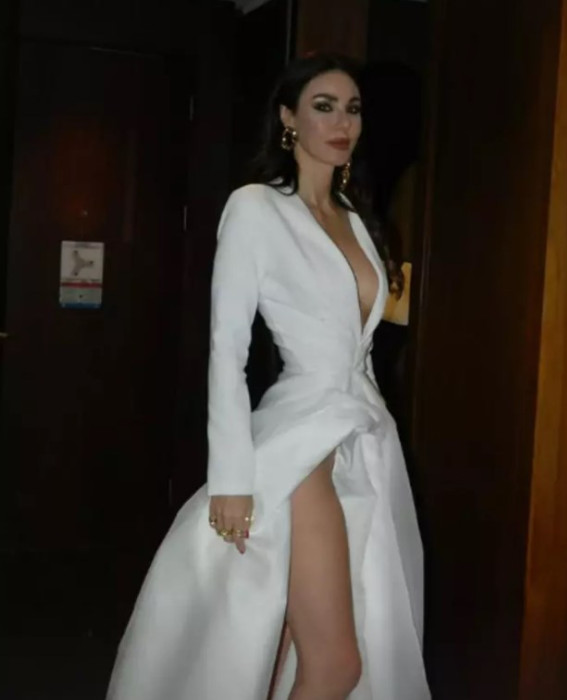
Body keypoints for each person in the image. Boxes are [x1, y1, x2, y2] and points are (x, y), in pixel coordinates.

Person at [106, 53, 430, 700]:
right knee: (336, 664)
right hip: (299, 443)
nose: (341, 123)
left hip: (362, 439)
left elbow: (363, 338)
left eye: (352, 109)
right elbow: (226, 347)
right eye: (322, 106)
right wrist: (229, 477)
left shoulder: (356, 216)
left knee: (287, 651)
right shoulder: (255, 207)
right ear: (288, 119)